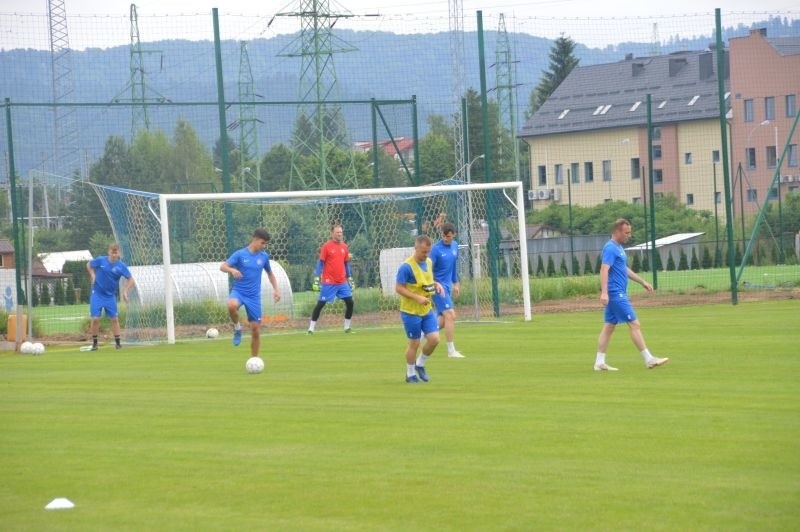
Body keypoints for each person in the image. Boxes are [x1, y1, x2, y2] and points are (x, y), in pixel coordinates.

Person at [595, 218, 669, 371]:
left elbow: (624, 270)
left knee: (609, 326)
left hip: (617, 293)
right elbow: (604, 269)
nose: (629, 235)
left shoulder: (619, 248)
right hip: (615, 294)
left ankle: (599, 362)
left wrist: (642, 282)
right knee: (634, 324)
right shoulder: (610, 248)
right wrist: (604, 293)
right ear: (617, 231)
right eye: (626, 232)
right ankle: (649, 359)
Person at [220, 228, 281, 360]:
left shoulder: (264, 256)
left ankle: (254, 359)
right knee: (231, 305)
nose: (264, 246)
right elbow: (222, 266)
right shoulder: (240, 254)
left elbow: (270, 273)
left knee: (255, 330)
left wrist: (276, 289)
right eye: (263, 243)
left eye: (266, 244)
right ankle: (237, 327)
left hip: (254, 297)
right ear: (255, 239)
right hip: (239, 292)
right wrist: (232, 270)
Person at [395, 235, 445, 383]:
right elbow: (398, 288)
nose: (426, 255)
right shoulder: (406, 267)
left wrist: (436, 284)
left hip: (427, 310)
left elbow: (427, 281)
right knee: (414, 343)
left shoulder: (428, 262)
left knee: (435, 339)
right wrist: (417, 298)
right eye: (423, 252)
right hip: (411, 312)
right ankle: (410, 374)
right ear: (415, 248)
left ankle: (420, 364)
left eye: (428, 252)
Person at [86, 243, 135, 350]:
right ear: (108, 252)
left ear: (119, 253)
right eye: (112, 252)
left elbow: (131, 280)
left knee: (114, 319)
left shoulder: (121, 266)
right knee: (95, 319)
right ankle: (95, 344)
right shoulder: (100, 260)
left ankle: (118, 343)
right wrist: (92, 274)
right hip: (97, 294)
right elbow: (89, 264)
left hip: (110, 296)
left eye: (116, 252)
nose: (113, 254)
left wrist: (125, 291)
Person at [307, 224, 354, 334]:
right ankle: (310, 329)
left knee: (350, 302)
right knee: (321, 304)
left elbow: (346, 264)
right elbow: (320, 263)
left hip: (342, 282)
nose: (340, 234)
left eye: (341, 232)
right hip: (329, 282)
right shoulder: (326, 247)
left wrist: (350, 278)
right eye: (337, 232)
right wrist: (317, 278)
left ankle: (347, 328)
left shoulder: (344, 247)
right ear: (332, 233)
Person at [430, 222, 464, 358]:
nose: (445, 238)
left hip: (448, 286)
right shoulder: (436, 250)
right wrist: (433, 284)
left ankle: (424, 333)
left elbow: (453, 266)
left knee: (443, 320)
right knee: (450, 315)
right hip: (437, 287)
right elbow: (427, 269)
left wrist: (455, 283)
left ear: (453, 235)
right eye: (443, 236)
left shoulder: (455, 246)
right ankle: (451, 351)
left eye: (448, 236)